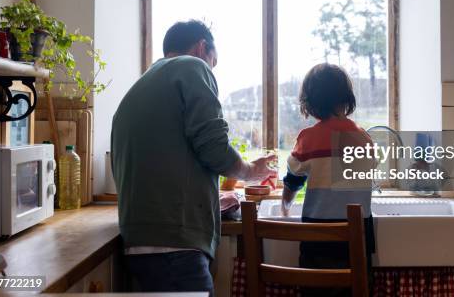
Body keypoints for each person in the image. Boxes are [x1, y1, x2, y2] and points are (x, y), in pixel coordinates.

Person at [111, 20, 276, 295]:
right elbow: (213, 147)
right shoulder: (193, 66)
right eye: (213, 61)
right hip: (175, 245)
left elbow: (170, 160)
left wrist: (209, 199)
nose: (211, 68)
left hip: (140, 242)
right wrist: (250, 171)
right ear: (202, 48)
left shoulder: (142, 86)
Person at [280, 63, 375, 297]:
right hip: (358, 235)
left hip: (318, 235)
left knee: (315, 290)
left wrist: (285, 206)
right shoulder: (364, 138)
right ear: (346, 98)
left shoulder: (308, 137)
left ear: (310, 103)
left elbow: (293, 181)